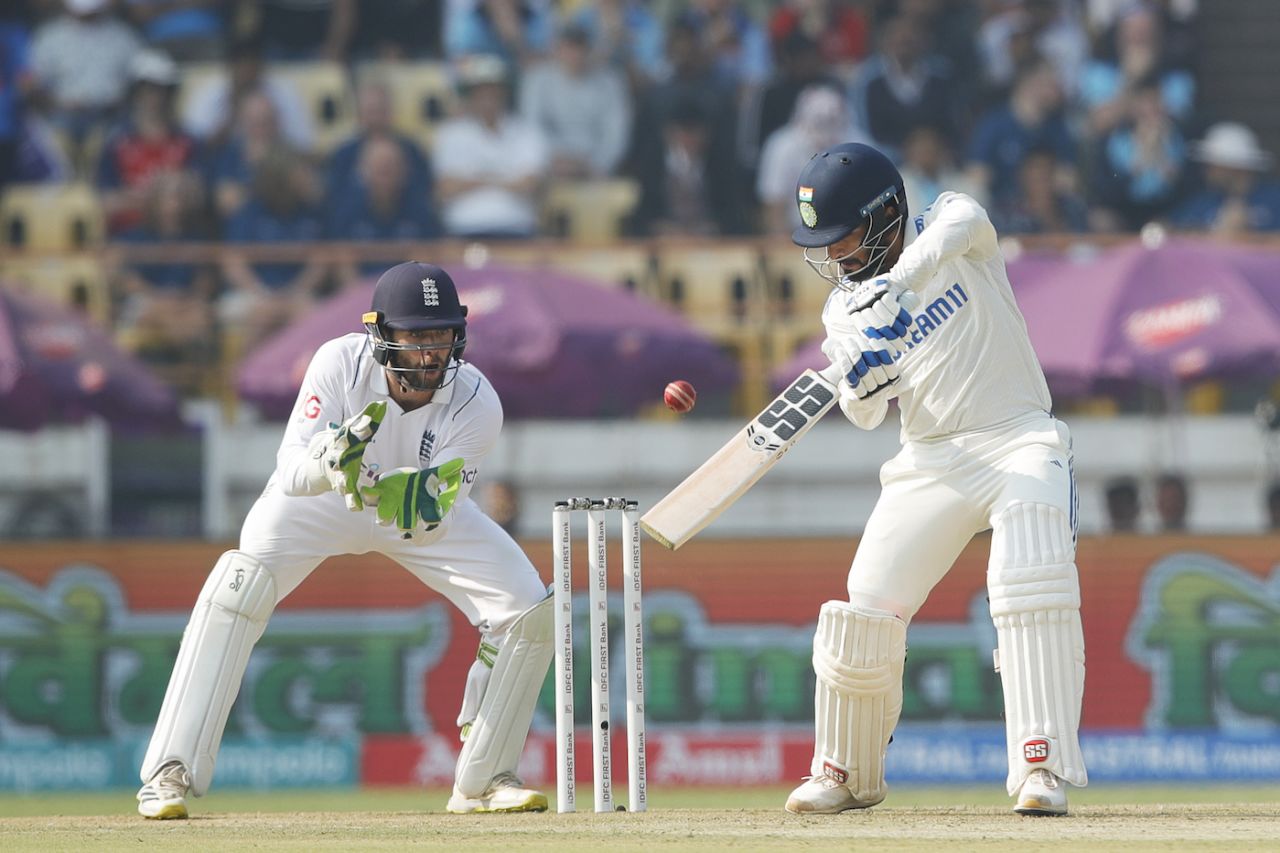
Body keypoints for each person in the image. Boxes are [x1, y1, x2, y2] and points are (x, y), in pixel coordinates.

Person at [136, 262, 553, 819]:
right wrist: (330, 461)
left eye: (442, 336)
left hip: (410, 506)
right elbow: (289, 472)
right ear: (380, 334)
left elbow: (435, 516)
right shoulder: (337, 361)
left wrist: (415, 503)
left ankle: (483, 780)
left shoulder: (478, 403)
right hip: (321, 500)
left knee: (527, 609)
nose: (431, 353)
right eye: (417, 336)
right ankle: (170, 772)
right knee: (237, 588)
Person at [783, 142, 1086, 817]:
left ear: (887, 213)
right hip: (930, 457)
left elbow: (964, 223)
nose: (836, 257)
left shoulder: (949, 222)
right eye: (825, 244)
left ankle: (1041, 765)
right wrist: (865, 380)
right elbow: (864, 412)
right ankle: (845, 771)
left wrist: (900, 283)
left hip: (1018, 435)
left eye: (847, 237)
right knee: (865, 604)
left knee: (1029, 574)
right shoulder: (844, 308)